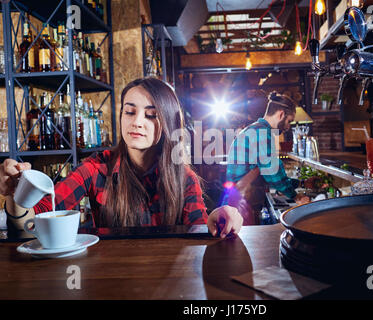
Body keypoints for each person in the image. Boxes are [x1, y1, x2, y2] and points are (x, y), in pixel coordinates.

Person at [0, 77, 243, 238]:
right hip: (109, 279)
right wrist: (15, 193)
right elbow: (33, 225)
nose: (137, 122)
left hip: (168, 279)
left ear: (168, 123)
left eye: (150, 115)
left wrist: (219, 219)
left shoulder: (184, 177)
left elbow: (200, 231)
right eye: (129, 111)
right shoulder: (96, 168)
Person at [223, 91, 300, 225]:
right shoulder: (262, 133)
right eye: (289, 121)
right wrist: (297, 196)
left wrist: (300, 183)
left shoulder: (255, 129)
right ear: (281, 114)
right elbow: (273, 174)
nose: (288, 127)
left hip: (237, 200)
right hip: (241, 204)